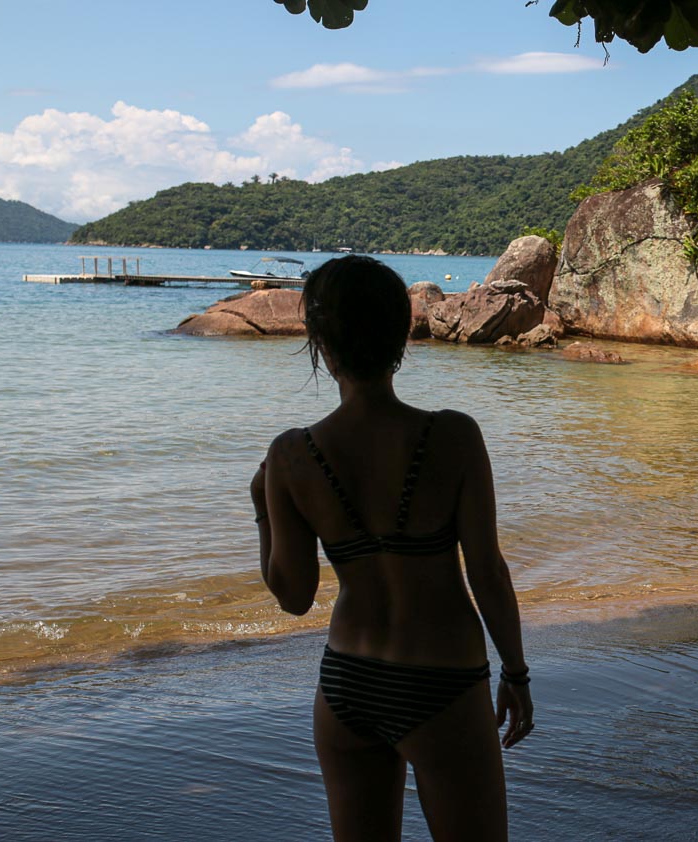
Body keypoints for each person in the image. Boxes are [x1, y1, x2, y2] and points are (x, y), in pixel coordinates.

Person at [250, 255, 533, 841]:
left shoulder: (292, 454)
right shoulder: (454, 435)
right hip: (442, 681)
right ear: (402, 331)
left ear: (321, 342)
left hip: (348, 682)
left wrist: (261, 507)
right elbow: (487, 571)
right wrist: (517, 672)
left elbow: (294, 596)